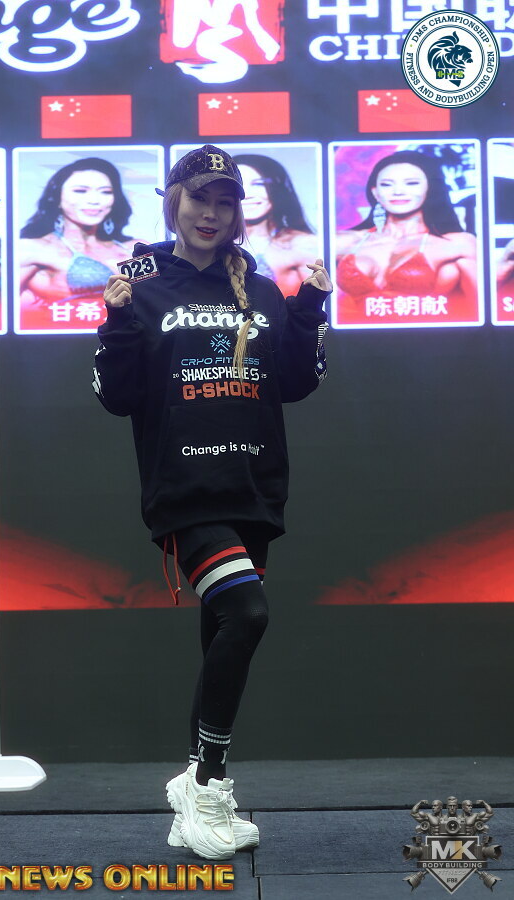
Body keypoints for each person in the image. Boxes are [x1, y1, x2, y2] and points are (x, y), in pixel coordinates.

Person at [92, 145, 331, 860]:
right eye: (200, 199)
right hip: (186, 490)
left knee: (222, 630)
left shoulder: (258, 288)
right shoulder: (140, 281)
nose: (212, 214)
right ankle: (206, 784)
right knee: (247, 613)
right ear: (174, 201)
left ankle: (195, 792)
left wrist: (309, 309)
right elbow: (117, 397)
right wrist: (114, 322)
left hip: (252, 486)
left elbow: (295, 383)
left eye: (226, 202)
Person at [335, 150, 477, 320]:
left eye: (411, 183)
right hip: (353, 333)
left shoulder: (457, 243)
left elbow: (482, 306)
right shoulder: (347, 241)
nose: (398, 191)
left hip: (425, 333)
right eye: (387, 185)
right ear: (375, 192)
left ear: (430, 188)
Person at [19, 157, 136, 308]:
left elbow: (154, 296)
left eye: (106, 192)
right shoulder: (32, 249)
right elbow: (1, 305)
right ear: (56, 197)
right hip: (66, 320)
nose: (94, 200)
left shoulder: (135, 248)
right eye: (80, 191)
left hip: (128, 323)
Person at [233, 153, 319, 298]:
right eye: (239, 185)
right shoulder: (210, 245)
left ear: (277, 190)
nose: (247, 195)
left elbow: (314, 304)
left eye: (258, 184)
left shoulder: (302, 244)